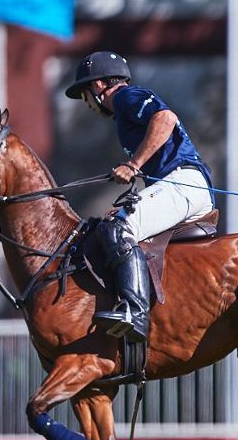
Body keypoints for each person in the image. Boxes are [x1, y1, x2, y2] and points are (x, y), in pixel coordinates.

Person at [64, 51, 216, 343]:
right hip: (181, 184)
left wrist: (133, 165)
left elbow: (165, 118)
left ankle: (135, 312)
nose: (86, 102)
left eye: (85, 93)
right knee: (115, 222)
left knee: (116, 228)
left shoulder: (124, 97)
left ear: (98, 86)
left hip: (183, 183)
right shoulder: (124, 111)